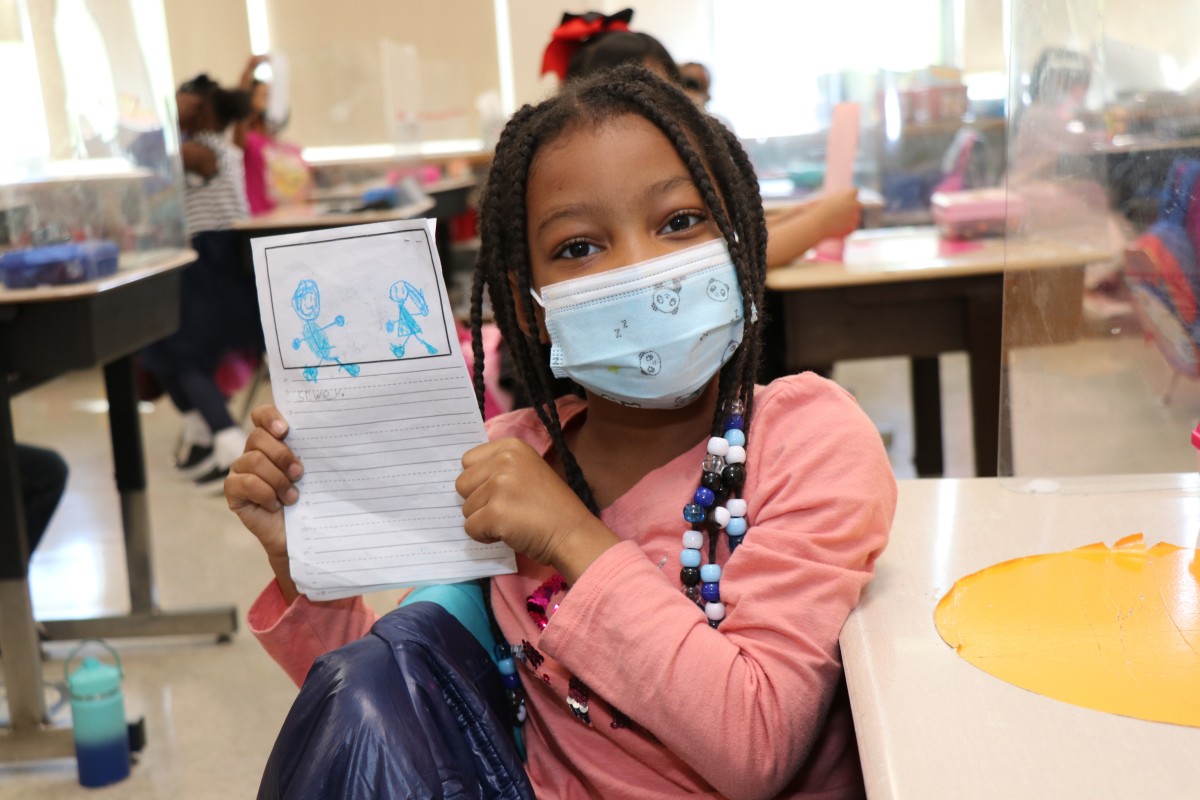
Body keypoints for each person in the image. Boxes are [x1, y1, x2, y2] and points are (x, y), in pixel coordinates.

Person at [226, 65, 895, 798]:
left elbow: (757, 744)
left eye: (679, 222)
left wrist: (571, 537)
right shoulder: (506, 463)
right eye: (579, 247)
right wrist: (304, 563)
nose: (642, 268)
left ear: (738, 240)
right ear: (532, 304)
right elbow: (414, 716)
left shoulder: (806, 441)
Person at [142, 74, 258, 488]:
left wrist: (165, 116)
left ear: (202, 109)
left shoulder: (206, 150)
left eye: (182, 101)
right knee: (161, 351)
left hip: (210, 264)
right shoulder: (216, 145)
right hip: (201, 261)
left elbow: (150, 146)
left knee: (185, 354)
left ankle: (228, 440)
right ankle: (202, 428)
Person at [235, 55, 311, 216]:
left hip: (295, 222)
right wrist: (247, 73)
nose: (274, 101)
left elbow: (307, 191)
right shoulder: (249, 143)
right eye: (265, 96)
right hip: (263, 224)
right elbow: (239, 120)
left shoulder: (292, 147)